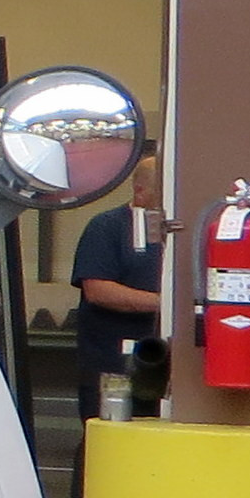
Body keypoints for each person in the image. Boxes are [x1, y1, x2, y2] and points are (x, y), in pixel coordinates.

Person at [73, 158, 166, 417]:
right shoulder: (107, 227)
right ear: (140, 190)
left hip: (166, 367)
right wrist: (166, 303)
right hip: (115, 366)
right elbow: (98, 290)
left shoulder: (179, 233)